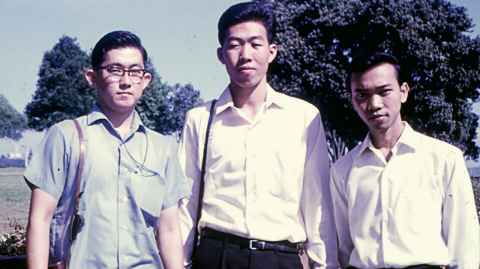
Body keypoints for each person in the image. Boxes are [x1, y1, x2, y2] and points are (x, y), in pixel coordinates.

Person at [178, 2, 337, 269]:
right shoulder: (200, 119)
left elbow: (317, 204)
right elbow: (185, 204)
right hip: (216, 255)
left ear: (272, 51)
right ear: (220, 54)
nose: (245, 54)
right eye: (235, 44)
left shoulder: (303, 118)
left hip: (281, 258)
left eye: (255, 44)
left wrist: (325, 265)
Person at [25, 30, 185, 269]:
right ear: (92, 77)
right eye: (115, 70)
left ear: (145, 80)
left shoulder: (164, 148)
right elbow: (40, 219)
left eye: (134, 71)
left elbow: (170, 230)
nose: (126, 81)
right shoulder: (66, 136)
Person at [330, 52, 480, 269]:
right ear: (352, 100)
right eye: (361, 95)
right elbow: (343, 248)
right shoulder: (342, 170)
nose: (374, 104)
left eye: (384, 91)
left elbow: (464, 245)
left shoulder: (444, 159)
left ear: (403, 92)